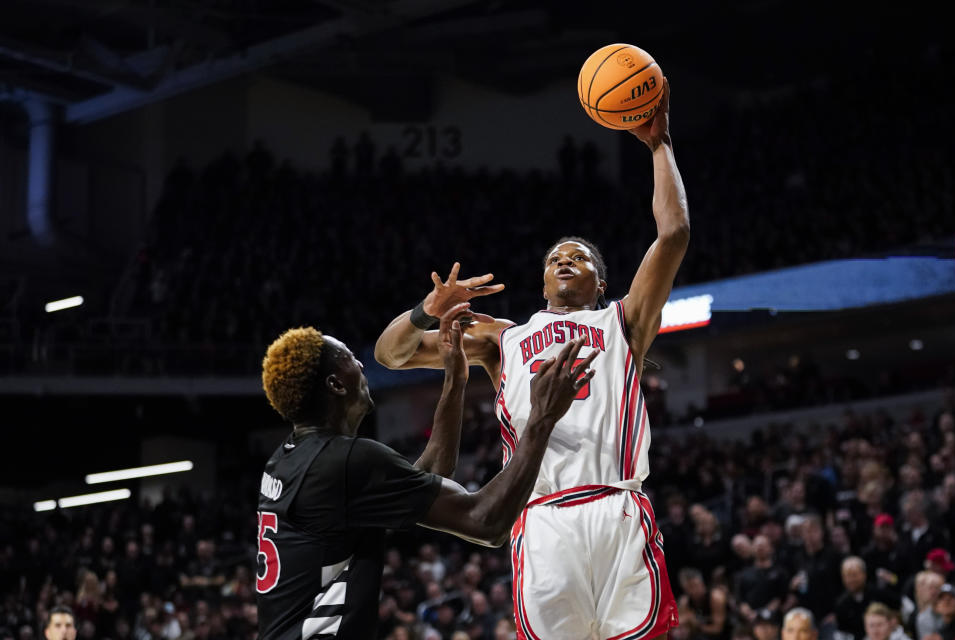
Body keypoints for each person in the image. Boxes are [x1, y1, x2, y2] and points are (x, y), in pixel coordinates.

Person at [376, 78, 687, 639]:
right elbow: (390, 354)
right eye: (555, 258)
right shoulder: (503, 339)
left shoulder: (623, 321)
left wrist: (659, 145)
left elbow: (674, 233)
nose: (565, 260)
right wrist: (426, 309)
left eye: (580, 257)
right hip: (541, 517)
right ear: (543, 280)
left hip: (617, 506)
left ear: (602, 280)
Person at [256, 306, 597, 640]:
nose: (360, 364)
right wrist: (542, 418)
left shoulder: (289, 460)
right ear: (336, 385)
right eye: (349, 359)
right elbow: (486, 522)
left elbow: (432, 474)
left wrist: (455, 379)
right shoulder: (346, 461)